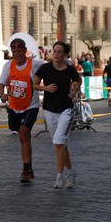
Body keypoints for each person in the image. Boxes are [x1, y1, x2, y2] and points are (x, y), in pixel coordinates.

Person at [33, 41, 81, 189]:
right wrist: (45, 88)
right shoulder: (45, 68)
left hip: (66, 109)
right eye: (55, 51)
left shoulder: (70, 69)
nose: (56, 54)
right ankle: (71, 172)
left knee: (59, 143)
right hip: (49, 109)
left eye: (60, 52)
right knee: (60, 145)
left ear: (65, 54)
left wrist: (73, 91)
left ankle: (60, 176)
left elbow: (78, 80)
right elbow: (34, 84)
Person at [0, 38, 45, 183]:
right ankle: (28, 168)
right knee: (23, 137)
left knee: (24, 133)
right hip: (14, 107)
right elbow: (1, 84)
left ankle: (26, 169)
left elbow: (51, 70)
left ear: (25, 50)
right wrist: (2, 94)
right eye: (14, 50)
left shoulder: (35, 65)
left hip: (31, 106)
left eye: (19, 50)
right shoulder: (8, 65)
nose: (16, 53)